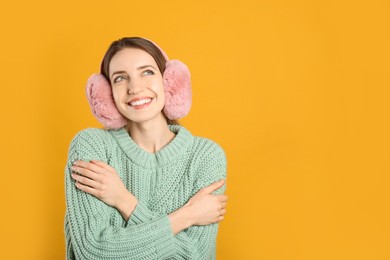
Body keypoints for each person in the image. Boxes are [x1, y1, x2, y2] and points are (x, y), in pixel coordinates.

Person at [64, 37, 228, 259]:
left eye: (147, 72)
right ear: (107, 93)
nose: (134, 88)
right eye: (120, 78)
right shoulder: (92, 146)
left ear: (169, 82)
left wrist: (124, 201)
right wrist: (186, 216)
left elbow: (195, 256)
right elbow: (93, 251)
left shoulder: (205, 156)